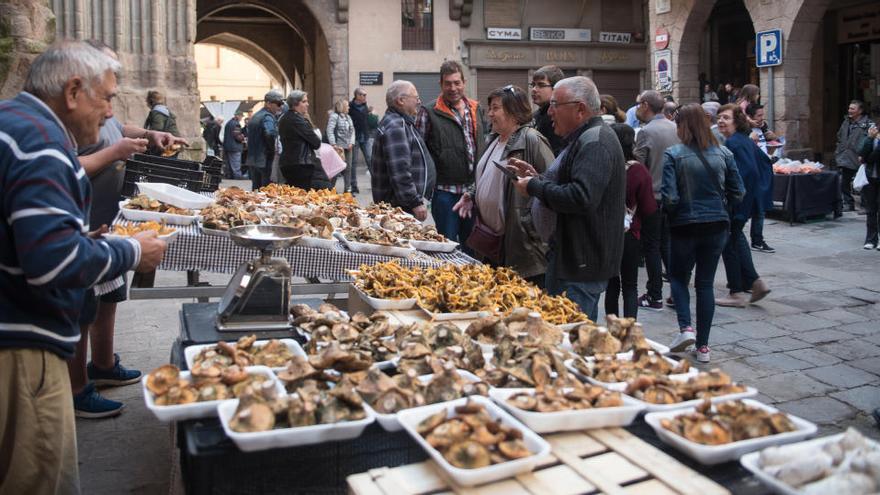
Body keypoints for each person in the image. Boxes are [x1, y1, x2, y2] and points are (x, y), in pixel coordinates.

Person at [0, 40, 166, 494]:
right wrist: (133, 253)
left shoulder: (13, 122)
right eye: (108, 97)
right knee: (37, 479)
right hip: (19, 346)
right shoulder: (43, 146)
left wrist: (77, 240)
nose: (111, 113)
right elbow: (52, 264)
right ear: (74, 91)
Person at [71, 39, 185, 419]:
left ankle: (103, 365)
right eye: (109, 71)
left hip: (110, 216)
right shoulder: (69, 116)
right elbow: (67, 169)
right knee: (81, 306)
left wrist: (149, 136)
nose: (114, 81)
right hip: (82, 220)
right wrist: (115, 153)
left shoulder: (102, 108)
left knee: (110, 295)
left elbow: (119, 128)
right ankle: (77, 388)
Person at [509, 76, 626, 322]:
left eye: (555, 105)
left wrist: (535, 187)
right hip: (570, 258)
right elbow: (573, 186)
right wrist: (538, 178)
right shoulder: (584, 137)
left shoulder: (595, 141)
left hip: (580, 264)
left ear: (580, 109)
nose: (549, 112)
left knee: (572, 334)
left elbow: (581, 197)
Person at [662, 104, 745, 363]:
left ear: (684, 126)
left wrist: (673, 214)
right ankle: (704, 347)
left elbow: (670, 197)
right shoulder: (724, 153)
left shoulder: (673, 154)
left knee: (677, 276)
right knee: (705, 284)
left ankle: (686, 328)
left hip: (685, 226)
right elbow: (738, 191)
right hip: (717, 225)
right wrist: (724, 210)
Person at [451, 85, 553, 284]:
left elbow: (551, 184)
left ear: (514, 111)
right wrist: (471, 194)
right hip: (491, 244)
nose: (489, 114)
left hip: (521, 244)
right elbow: (485, 175)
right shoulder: (494, 139)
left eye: (495, 108)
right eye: (490, 108)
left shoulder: (531, 139)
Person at [416, 60, 487, 246]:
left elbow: (484, 143)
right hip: (445, 193)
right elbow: (419, 154)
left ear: (464, 82)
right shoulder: (428, 112)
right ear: (441, 84)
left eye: (457, 83)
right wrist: (421, 194)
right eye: (448, 83)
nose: (453, 88)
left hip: (474, 192)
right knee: (447, 246)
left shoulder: (476, 108)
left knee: (473, 245)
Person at [716, 104, 772, 307]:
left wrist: (734, 198)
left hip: (737, 203)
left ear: (737, 121)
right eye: (719, 117)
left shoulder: (734, 143)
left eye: (726, 118)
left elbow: (747, 172)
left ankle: (737, 292)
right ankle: (754, 283)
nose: (721, 121)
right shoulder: (742, 141)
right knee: (735, 239)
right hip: (745, 201)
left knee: (729, 243)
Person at [634, 90, 681, 311]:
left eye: (637, 105)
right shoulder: (674, 127)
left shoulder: (646, 132)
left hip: (652, 198)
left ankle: (654, 295)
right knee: (668, 246)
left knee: (651, 247)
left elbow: (639, 166)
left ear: (645, 105)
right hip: (672, 197)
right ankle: (676, 292)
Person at [605, 123, 656, 319]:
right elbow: (649, 206)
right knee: (630, 285)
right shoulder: (639, 171)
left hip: (607, 232)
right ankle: (629, 329)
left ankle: (611, 327)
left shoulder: (605, 165)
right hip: (630, 233)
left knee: (611, 283)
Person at [371, 80, 436, 219]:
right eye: (416, 98)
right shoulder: (396, 126)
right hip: (400, 209)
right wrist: (415, 202)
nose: (419, 102)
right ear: (401, 100)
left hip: (400, 207)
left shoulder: (400, 122)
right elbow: (400, 171)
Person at [745, 103, 776, 254]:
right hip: (752, 172)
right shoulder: (744, 130)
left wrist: (772, 141)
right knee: (748, 208)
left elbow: (767, 145)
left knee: (760, 207)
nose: (761, 118)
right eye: (759, 116)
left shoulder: (763, 128)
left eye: (762, 115)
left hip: (763, 168)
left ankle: (757, 239)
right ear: (749, 116)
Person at [836, 100, 874, 211]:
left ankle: (865, 205)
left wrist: (864, 154)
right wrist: (839, 150)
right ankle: (848, 203)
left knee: (863, 182)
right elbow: (839, 136)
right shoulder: (846, 122)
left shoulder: (868, 124)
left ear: (860, 111)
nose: (850, 111)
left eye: (853, 109)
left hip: (860, 158)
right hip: (845, 157)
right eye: (849, 108)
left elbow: (870, 140)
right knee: (844, 182)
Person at [278, 90, 321, 189]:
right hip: (300, 164)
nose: (308, 104)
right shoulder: (297, 119)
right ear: (295, 103)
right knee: (301, 195)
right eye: (304, 101)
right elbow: (316, 142)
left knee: (294, 194)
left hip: (289, 162)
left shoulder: (284, 118)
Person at [245, 90, 284, 190]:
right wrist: (272, 150)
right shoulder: (268, 116)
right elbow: (270, 134)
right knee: (266, 190)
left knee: (256, 189)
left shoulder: (255, 116)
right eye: (278, 104)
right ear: (268, 103)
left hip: (253, 159)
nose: (280, 107)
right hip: (264, 159)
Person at [530, 65, 566, 155]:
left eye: (541, 85)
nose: (534, 89)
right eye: (533, 85)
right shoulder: (536, 115)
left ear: (555, 88)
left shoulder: (560, 117)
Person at [327, 98, 356, 192]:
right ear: (342, 107)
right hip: (338, 147)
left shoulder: (348, 117)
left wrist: (352, 142)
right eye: (347, 105)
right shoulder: (334, 116)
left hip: (348, 147)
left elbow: (352, 131)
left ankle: (348, 190)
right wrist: (333, 144)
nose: (349, 107)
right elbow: (330, 130)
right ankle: (330, 189)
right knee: (336, 169)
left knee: (348, 169)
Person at [859, 124, 880, 250]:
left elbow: (871, 157)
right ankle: (871, 239)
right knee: (871, 209)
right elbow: (862, 157)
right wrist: (869, 139)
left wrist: (867, 158)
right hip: (870, 178)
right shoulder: (870, 138)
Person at [348, 87, 371, 192]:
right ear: (357, 96)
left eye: (366, 95)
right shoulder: (350, 106)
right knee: (354, 162)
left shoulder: (365, 107)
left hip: (365, 137)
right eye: (363, 95)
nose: (365, 97)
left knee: (370, 160)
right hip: (355, 138)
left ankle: (376, 184)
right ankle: (354, 186)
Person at [223, 111, 246, 179]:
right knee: (236, 163)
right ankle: (237, 176)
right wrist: (243, 137)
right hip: (235, 147)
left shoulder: (229, 123)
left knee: (229, 163)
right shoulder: (236, 124)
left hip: (228, 146)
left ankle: (230, 175)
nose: (241, 118)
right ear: (237, 116)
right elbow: (237, 136)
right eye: (241, 116)